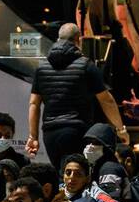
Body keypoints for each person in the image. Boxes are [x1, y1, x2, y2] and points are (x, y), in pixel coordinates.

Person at [27, 22, 129, 162]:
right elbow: (106, 100)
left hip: (50, 133)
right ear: (78, 40)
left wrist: (33, 137)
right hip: (76, 130)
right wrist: (120, 130)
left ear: (58, 39)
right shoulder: (86, 66)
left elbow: (34, 104)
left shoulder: (42, 68)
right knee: (75, 176)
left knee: (62, 175)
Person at [81, 122, 135, 202]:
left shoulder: (109, 169)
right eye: (88, 142)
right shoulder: (98, 167)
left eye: (95, 143)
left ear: (106, 147)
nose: (89, 146)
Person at [58, 153, 125, 202]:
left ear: (87, 178)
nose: (72, 177)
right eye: (68, 173)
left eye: (78, 174)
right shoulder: (56, 190)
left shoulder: (93, 194)